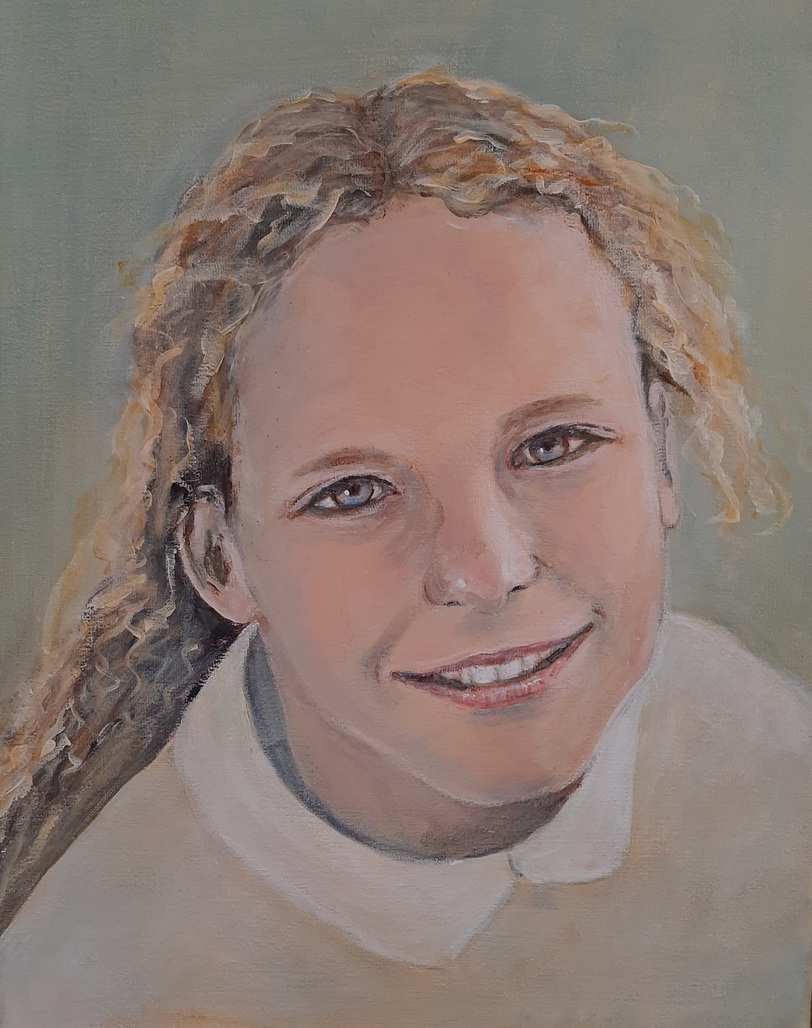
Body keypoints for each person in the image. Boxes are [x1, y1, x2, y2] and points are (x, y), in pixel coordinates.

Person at [0, 69, 810, 1027]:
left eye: (555, 445)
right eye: (353, 493)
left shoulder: (768, 760)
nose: (489, 570)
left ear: (663, 457)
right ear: (222, 560)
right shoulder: (94, 984)